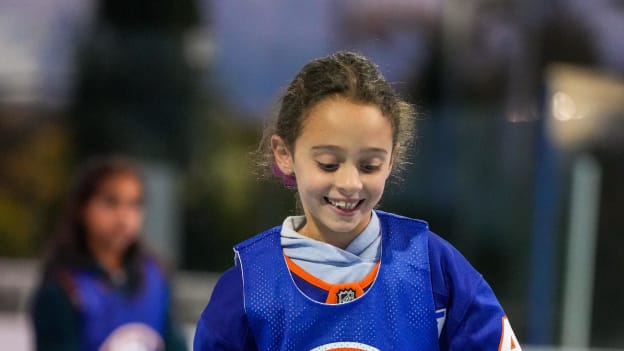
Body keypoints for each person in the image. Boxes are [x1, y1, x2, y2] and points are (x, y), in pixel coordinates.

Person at [194, 51, 522, 350]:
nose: (350, 183)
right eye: (328, 164)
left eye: (369, 166)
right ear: (284, 154)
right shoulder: (249, 290)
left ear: (392, 160)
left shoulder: (435, 271)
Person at [30, 156, 187, 351]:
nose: (124, 217)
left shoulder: (156, 275)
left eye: (134, 204)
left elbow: (175, 344)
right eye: (111, 202)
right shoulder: (63, 289)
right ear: (82, 208)